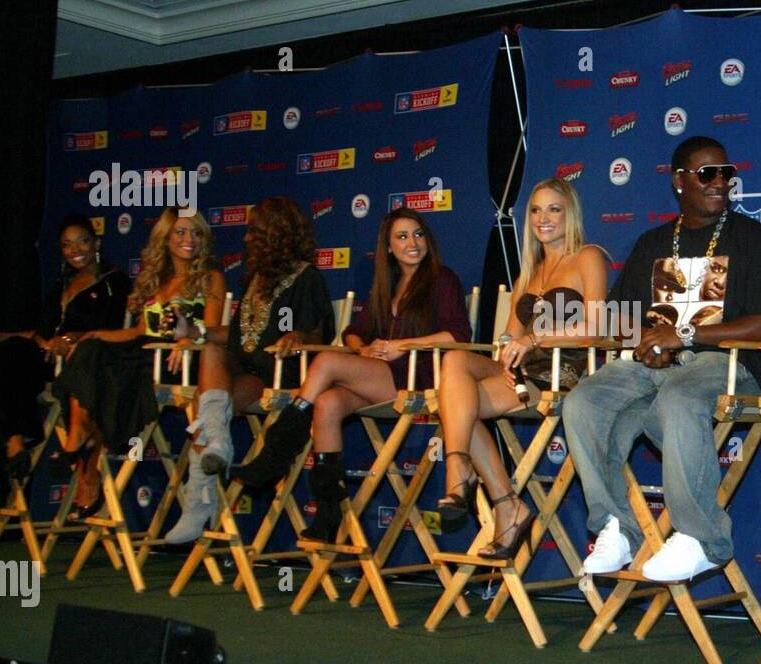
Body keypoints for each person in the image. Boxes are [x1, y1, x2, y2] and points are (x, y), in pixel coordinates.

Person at [566, 136, 761, 581]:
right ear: (678, 181)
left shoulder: (751, 239)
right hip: (652, 368)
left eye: (725, 173)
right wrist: (648, 343)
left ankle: (701, 537)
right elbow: (619, 318)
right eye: (707, 173)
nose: (719, 182)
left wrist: (685, 334)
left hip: (725, 366)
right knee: (583, 402)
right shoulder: (653, 243)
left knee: (678, 399)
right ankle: (616, 526)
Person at [231, 207, 471, 542]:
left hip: (422, 375)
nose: (412, 243)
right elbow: (353, 331)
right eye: (402, 236)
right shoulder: (387, 284)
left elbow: (459, 335)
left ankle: (276, 451)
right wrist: (363, 349)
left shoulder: (442, 279)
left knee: (327, 363)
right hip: (383, 375)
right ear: (388, 246)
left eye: (418, 234)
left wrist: (405, 344)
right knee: (327, 403)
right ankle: (328, 511)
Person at [435, 177, 609, 559]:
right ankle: (494, 495)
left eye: (553, 209)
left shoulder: (588, 257)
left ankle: (490, 496)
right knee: (454, 369)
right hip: (521, 374)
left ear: (570, 214)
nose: (542, 218)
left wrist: (534, 340)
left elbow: (597, 328)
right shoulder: (530, 269)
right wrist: (508, 350)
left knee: (456, 411)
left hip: (562, 373)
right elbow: (507, 337)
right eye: (535, 210)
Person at [163, 196, 336, 544]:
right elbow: (239, 336)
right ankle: (216, 452)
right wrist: (193, 331)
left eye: (253, 232)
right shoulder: (255, 278)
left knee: (208, 403)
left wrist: (297, 335)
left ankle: (199, 503)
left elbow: (318, 335)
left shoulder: (307, 278)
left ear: (276, 234)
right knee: (211, 354)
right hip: (248, 365)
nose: (245, 239)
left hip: (280, 374)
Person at [48, 209, 226, 518]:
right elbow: (141, 330)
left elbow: (211, 330)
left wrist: (188, 340)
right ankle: (79, 435)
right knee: (91, 346)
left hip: (177, 358)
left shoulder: (210, 278)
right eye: (181, 233)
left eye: (196, 233)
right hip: (146, 349)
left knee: (107, 366)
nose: (189, 240)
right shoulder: (158, 279)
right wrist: (96, 334)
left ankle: (82, 440)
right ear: (166, 238)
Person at [0, 213, 131, 509]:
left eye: (82, 241)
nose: (76, 250)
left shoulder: (114, 282)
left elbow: (115, 331)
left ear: (96, 243)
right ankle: (16, 442)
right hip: (45, 360)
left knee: (6, 381)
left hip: (84, 365)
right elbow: (41, 334)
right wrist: (1, 336)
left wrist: (72, 339)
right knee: (6, 360)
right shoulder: (60, 285)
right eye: (67, 245)